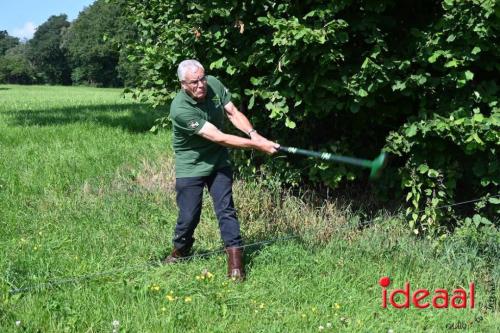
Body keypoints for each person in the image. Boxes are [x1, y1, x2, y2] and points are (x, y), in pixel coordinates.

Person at [162, 59, 278, 281]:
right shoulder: (180, 109)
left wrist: (254, 134)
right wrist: (258, 146)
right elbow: (220, 137)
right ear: (183, 84)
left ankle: (236, 266)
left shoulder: (213, 84)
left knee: (226, 209)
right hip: (191, 164)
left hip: (218, 162)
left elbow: (232, 112)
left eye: (202, 78)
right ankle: (180, 251)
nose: (201, 85)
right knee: (189, 216)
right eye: (194, 82)